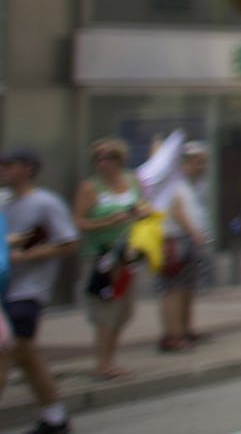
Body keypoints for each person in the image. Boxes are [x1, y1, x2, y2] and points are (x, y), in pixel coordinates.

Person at [1, 149, 79, 434]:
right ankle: (55, 418)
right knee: (27, 356)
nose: (3, 171)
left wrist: (26, 256)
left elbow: (69, 242)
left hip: (28, 291)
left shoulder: (45, 203)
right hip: (4, 289)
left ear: (28, 169)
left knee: (6, 352)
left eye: (9, 165)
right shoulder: (5, 204)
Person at [73, 137, 149, 381]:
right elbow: (79, 222)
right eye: (98, 158)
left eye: (109, 158)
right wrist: (107, 221)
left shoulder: (132, 181)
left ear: (120, 159)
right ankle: (102, 364)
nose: (103, 163)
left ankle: (112, 360)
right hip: (102, 255)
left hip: (127, 254)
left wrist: (141, 213)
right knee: (105, 311)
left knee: (123, 310)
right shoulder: (90, 188)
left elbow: (145, 207)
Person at [155, 142, 214, 354]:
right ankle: (172, 334)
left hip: (189, 240)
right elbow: (177, 212)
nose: (202, 167)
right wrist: (195, 233)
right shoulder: (175, 184)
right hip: (174, 239)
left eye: (203, 163)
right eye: (198, 163)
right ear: (185, 164)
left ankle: (186, 328)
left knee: (187, 287)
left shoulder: (196, 185)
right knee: (174, 289)